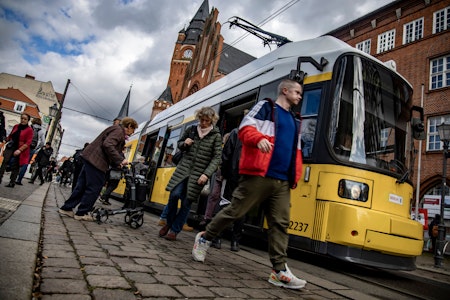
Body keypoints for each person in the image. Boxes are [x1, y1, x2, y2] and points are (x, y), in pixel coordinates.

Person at [192, 79, 306, 290]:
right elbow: (245, 127)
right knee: (235, 211)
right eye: (297, 92)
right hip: (258, 174)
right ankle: (205, 238)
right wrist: (257, 139)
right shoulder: (267, 106)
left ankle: (279, 271)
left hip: (282, 180)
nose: (300, 96)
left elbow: (296, 151)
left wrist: (295, 176)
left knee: (280, 223)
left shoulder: (295, 120)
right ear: (285, 90)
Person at [159, 107, 222, 241]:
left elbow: (217, 157)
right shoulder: (191, 130)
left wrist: (206, 174)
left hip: (199, 174)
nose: (203, 123)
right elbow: (179, 144)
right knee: (174, 195)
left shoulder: (216, 136)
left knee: (187, 203)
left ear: (211, 120)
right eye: (201, 119)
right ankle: (169, 222)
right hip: (183, 169)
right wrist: (184, 144)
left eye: (206, 120)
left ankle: (175, 230)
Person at [58, 117, 138, 221]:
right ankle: (82, 212)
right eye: (133, 129)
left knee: (81, 186)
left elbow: (107, 145)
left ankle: (67, 208)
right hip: (97, 162)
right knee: (94, 188)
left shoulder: (114, 129)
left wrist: (116, 162)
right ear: (129, 126)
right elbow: (108, 144)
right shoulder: (119, 131)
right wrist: (120, 160)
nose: (133, 132)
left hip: (89, 159)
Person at [0, 113, 33, 187]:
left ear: (28, 120)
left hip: (20, 149)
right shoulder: (16, 126)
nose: (23, 120)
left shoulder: (29, 130)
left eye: (25, 119)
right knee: (5, 161)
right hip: (11, 146)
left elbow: (28, 142)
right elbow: (11, 135)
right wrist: (6, 140)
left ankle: (12, 182)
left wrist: (20, 150)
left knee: (16, 165)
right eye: (22, 118)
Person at [16, 118, 46, 185]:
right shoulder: (41, 131)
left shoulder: (29, 127)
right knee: (25, 163)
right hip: (32, 148)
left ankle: (14, 176)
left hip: (24, 146)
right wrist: (37, 148)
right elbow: (43, 142)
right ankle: (19, 180)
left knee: (18, 160)